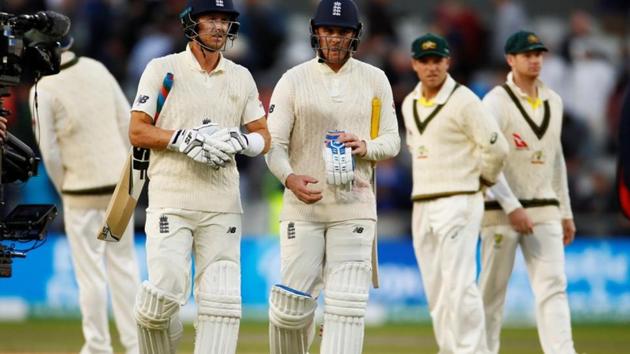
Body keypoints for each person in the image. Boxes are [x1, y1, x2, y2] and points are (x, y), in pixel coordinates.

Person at [127, 0, 270, 353]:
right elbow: (137, 131)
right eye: (211, 19)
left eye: (225, 20)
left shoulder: (241, 76)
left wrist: (243, 140)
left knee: (221, 304)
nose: (219, 27)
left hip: (222, 203)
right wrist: (180, 138)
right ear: (192, 22)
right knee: (162, 298)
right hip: (171, 200)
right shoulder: (163, 69)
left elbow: (264, 136)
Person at [264, 1, 400, 353]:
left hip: (353, 206)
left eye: (342, 32)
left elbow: (392, 141)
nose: (335, 38)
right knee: (291, 310)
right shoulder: (293, 79)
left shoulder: (375, 79)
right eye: (328, 30)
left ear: (355, 35)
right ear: (315, 32)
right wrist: (290, 178)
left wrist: (365, 146)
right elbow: (272, 144)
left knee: (347, 308)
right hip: (304, 206)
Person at [29, 36, 141, 354]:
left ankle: (97, 346)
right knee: (124, 267)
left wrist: (66, 186)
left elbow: (48, 151)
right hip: (119, 187)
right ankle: (134, 346)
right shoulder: (97, 68)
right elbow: (126, 123)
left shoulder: (43, 88)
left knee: (90, 273)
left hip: (81, 190)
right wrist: (127, 175)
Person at [400, 33, 508, 353]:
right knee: (437, 291)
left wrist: (483, 180)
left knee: (459, 286)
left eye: (437, 61)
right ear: (414, 64)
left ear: (448, 62)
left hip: (459, 198)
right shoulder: (409, 103)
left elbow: (497, 147)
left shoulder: (464, 100)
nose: (431, 67)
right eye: (425, 61)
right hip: (423, 202)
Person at [479, 30, 577, 354]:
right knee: (491, 293)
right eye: (527, 54)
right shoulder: (495, 101)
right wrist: (511, 206)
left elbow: (556, 158)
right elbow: (486, 158)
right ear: (511, 59)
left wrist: (565, 211)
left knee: (553, 287)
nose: (535, 59)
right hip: (500, 212)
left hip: (546, 207)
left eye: (538, 53)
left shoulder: (554, 100)